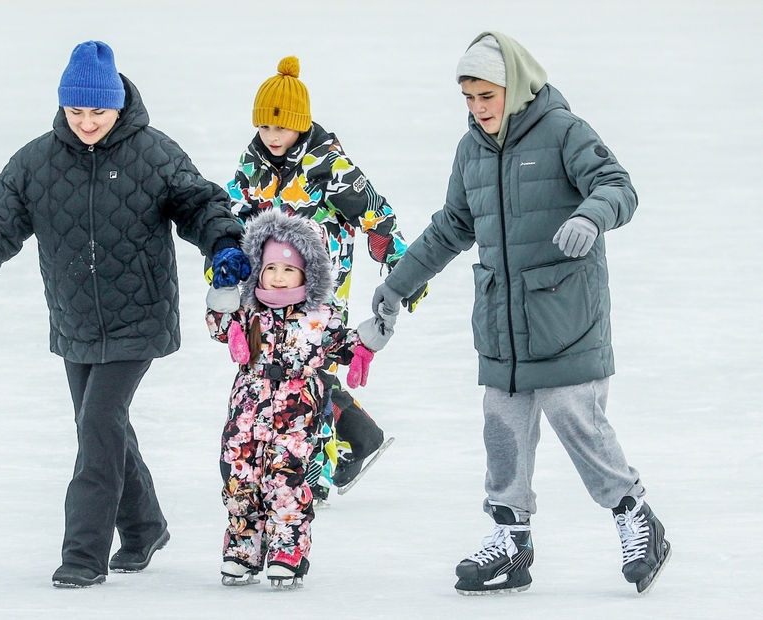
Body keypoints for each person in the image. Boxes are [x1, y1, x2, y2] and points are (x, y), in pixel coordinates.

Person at [0, 41, 250, 588]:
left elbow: (200, 202)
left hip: (139, 316)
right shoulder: (36, 162)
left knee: (97, 429)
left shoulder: (154, 153)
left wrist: (222, 243)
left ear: (119, 106)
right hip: (75, 319)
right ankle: (145, 526)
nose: (86, 122)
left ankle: (83, 555)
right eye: (75, 112)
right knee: (102, 425)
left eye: (97, 112)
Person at [371, 32, 670, 595]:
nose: (479, 108)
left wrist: (591, 217)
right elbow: (452, 227)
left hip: (564, 313)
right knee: (503, 429)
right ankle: (511, 542)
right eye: (469, 98)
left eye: (488, 95)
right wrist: (399, 283)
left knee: (574, 417)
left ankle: (635, 516)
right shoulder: (471, 150)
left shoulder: (563, 131)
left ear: (516, 86)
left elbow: (618, 185)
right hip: (502, 320)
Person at [220, 56, 425, 500]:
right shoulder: (251, 162)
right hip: (267, 284)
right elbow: (232, 217)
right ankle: (354, 437)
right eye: (264, 128)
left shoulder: (328, 165)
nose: (272, 137)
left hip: (321, 283)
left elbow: (377, 215)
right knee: (275, 366)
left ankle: (312, 461)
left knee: (310, 362)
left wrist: (405, 271)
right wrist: (223, 264)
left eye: (281, 128)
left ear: (300, 123)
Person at [206, 209, 392, 589]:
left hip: (296, 416)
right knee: (240, 478)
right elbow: (220, 327)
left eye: (288, 270)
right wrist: (224, 289)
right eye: (271, 268)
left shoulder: (321, 317)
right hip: (246, 412)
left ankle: (286, 551)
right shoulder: (248, 311)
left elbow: (347, 345)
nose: (278, 277)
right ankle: (243, 549)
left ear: (308, 274)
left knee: (286, 481)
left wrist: (377, 331)